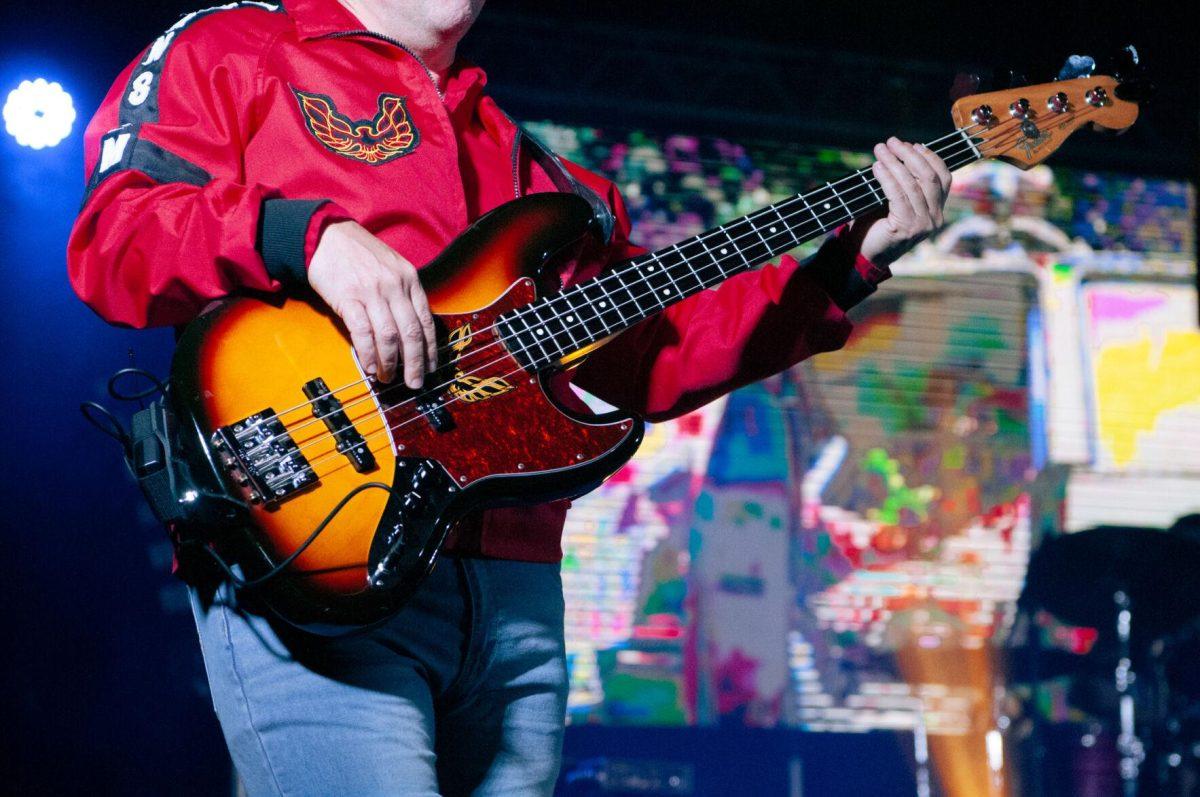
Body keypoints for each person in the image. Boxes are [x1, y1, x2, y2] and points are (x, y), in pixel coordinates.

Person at [66, 0, 951, 794]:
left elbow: (656, 356)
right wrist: (305, 236)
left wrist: (847, 263)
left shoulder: (544, 177)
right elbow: (114, 234)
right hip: (320, 551)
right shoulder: (239, 44)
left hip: (517, 599)